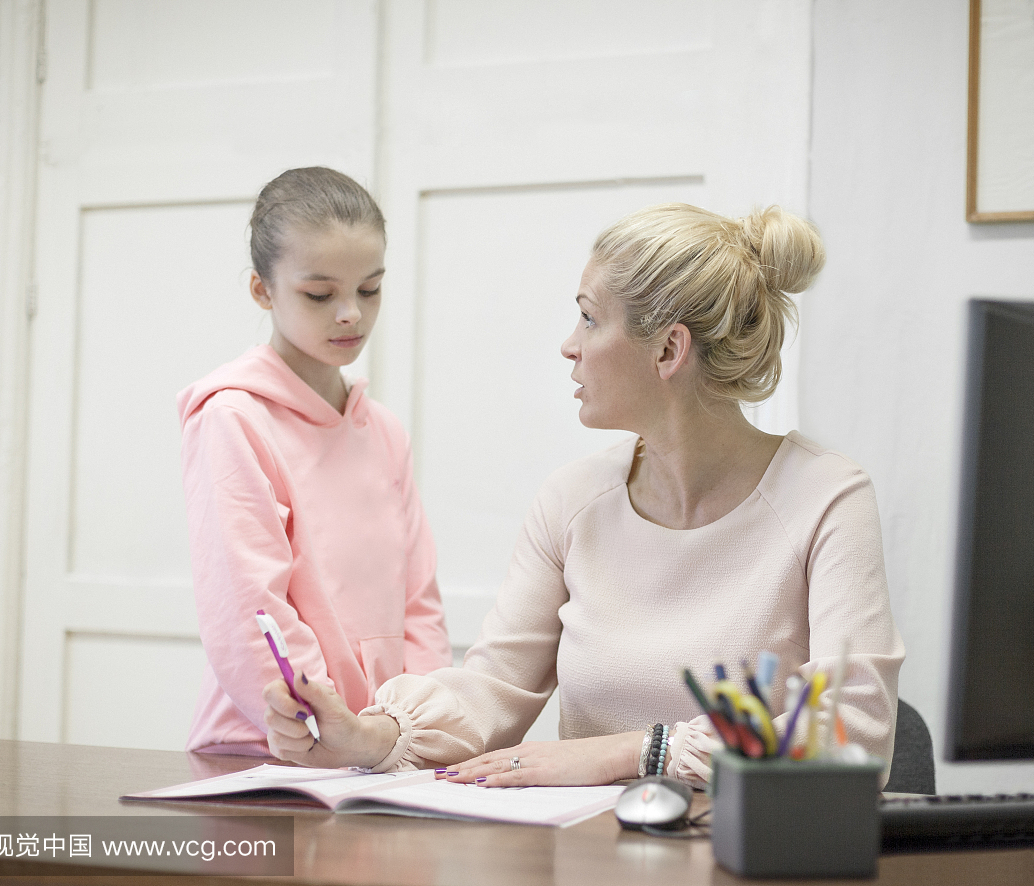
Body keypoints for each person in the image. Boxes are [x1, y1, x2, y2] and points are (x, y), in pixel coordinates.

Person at [260, 202, 905, 787]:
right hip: (592, 854)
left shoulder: (826, 498)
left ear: (669, 349)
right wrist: (366, 734)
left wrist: (640, 752)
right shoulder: (572, 501)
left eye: (590, 319)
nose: (569, 345)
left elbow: (852, 735)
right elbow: (493, 686)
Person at [179, 167, 452, 755]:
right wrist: (322, 728)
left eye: (370, 289)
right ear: (262, 289)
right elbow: (250, 609)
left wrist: (418, 729)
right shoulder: (235, 419)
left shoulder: (382, 430)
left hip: (383, 752)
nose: (351, 313)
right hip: (270, 749)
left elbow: (419, 603)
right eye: (320, 294)